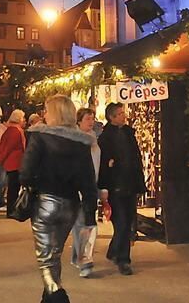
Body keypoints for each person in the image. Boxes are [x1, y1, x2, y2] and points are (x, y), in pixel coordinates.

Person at [20, 95, 98, 303]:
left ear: (53, 113)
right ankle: (47, 298)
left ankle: (57, 296)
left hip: (45, 202)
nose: (44, 114)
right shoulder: (81, 143)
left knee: (46, 258)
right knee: (54, 253)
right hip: (70, 205)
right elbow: (89, 182)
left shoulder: (40, 137)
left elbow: (25, 173)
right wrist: (90, 213)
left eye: (46, 109)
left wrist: (35, 183)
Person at [97, 102, 146, 275]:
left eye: (123, 112)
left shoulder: (128, 133)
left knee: (127, 223)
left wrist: (139, 182)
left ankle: (116, 251)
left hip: (130, 184)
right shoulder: (104, 138)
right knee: (122, 222)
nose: (124, 115)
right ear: (112, 117)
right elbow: (102, 164)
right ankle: (123, 260)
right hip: (115, 186)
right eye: (120, 113)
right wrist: (104, 186)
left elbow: (136, 159)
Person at [70, 107, 103, 278]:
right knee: (79, 226)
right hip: (77, 189)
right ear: (79, 121)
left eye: (92, 118)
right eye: (88, 119)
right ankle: (81, 257)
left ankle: (85, 259)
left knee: (89, 225)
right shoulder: (75, 140)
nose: (91, 122)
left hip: (92, 188)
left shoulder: (94, 139)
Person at [0, 109, 27, 216]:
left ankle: (12, 209)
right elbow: (9, 147)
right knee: (13, 188)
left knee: (13, 187)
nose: (24, 120)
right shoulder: (15, 131)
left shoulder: (11, 130)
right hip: (14, 163)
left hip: (13, 162)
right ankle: (11, 210)